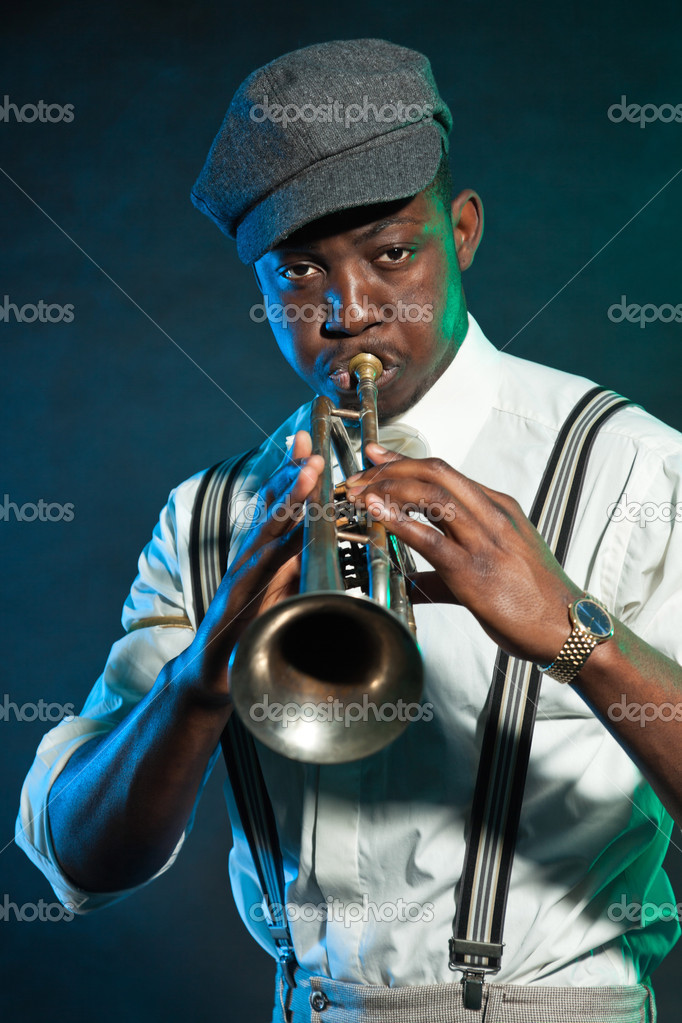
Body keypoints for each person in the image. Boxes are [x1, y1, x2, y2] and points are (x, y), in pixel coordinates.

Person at [16, 38, 682, 1023]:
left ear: (461, 231)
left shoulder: (632, 463)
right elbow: (81, 862)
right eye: (298, 272)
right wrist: (201, 678)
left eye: (389, 253)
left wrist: (577, 636)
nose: (348, 313)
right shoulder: (208, 514)